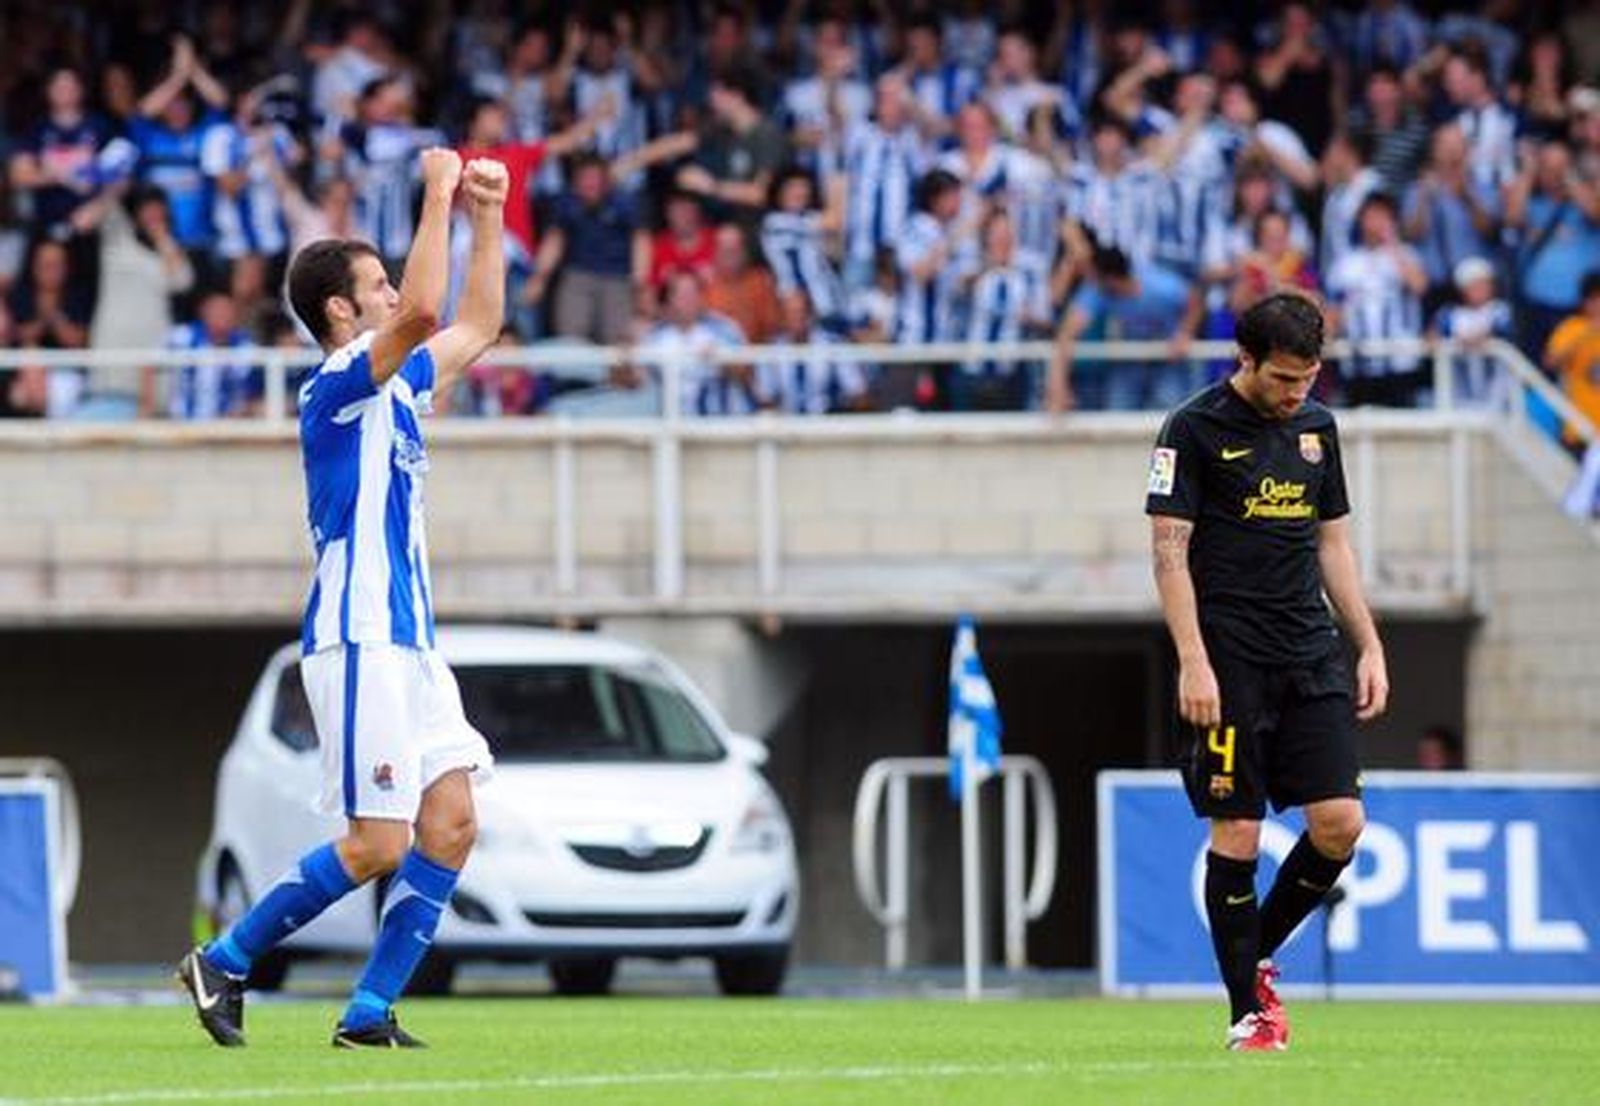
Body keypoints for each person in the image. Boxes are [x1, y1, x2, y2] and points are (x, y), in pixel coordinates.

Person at [176, 148, 508, 1049]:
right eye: (379, 283)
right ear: (340, 309)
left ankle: (368, 1012)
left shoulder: (398, 383)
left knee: (452, 822)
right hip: (359, 636)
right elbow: (433, 310)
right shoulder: (338, 385)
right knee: (380, 843)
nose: (396, 292)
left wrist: (487, 215)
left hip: (411, 643)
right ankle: (225, 957)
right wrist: (435, 190)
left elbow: (477, 321)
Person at [1146, 292, 1388, 1052]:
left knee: (1341, 824)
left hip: (1310, 653)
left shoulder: (1319, 429)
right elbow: (1168, 553)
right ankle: (1246, 1013)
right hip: (1228, 663)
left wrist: (1369, 643)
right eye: (1284, 379)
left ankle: (1252, 960)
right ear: (1244, 361)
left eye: (1309, 378)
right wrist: (1192, 659)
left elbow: (1333, 547)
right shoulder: (1191, 429)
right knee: (1240, 826)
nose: (1297, 394)